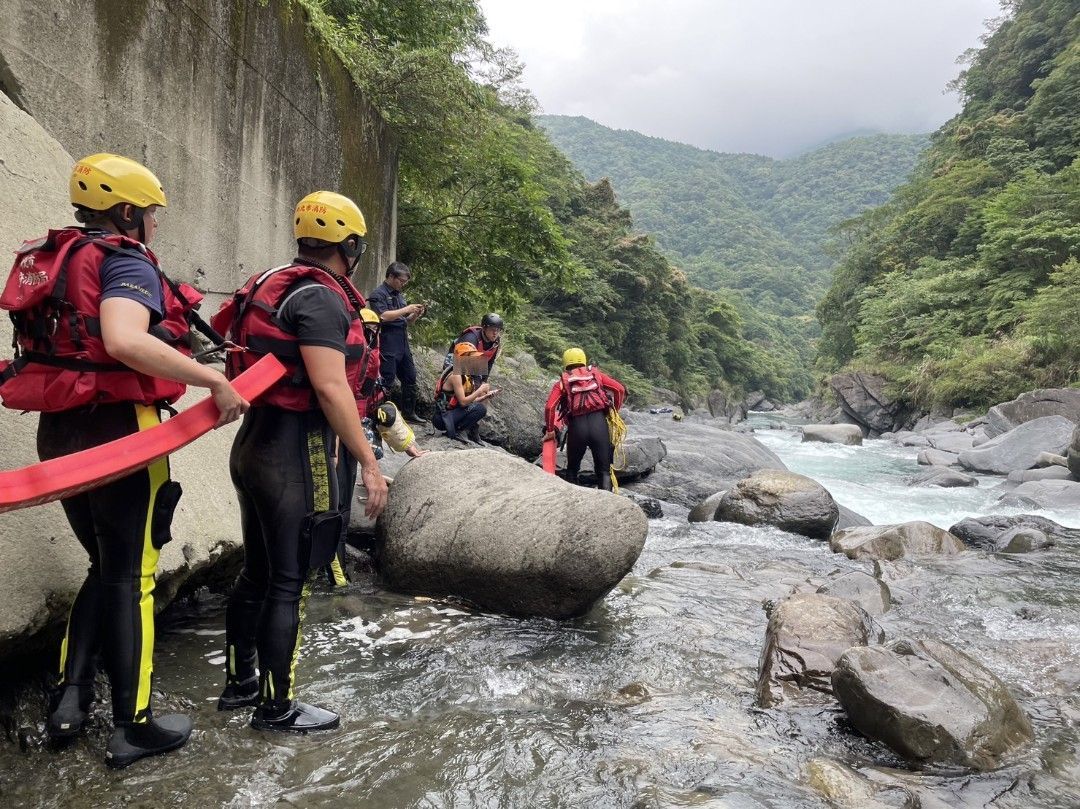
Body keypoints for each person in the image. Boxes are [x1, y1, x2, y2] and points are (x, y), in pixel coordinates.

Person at [0, 153, 248, 767]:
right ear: (128, 211)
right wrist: (210, 382)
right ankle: (133, 724)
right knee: (132, 577)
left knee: (102, 565)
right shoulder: (124, 260)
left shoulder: (59, 256)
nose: (155, 226)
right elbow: (123, 339)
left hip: (59, 435)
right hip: (121, 436)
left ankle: (69, 699)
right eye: (152, 214)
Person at [212, 191, 387, 732]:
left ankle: (240, 684)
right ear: (349, 245)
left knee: (258, 573)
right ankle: (276, 706)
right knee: (289, 582)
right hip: (293, 452)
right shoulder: (322, 299)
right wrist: (371, 465)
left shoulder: (273, 281)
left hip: (252, 446)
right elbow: (332, 389)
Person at [543, 348, 626, 491]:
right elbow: (619, 390)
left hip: (577, 428)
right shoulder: (596, 375)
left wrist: (550, 430)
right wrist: (614, 412)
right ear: (583, 360)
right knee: (604, 471)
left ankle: (573, 504)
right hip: (599, 425)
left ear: (566, 363)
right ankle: (607, 505)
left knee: (572, 470)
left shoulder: (563, 382)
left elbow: (550, 408)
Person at [367, 262, 425, 423]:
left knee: (410, 376)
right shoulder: (378, 294)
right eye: (401, 281)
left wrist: (414, 314)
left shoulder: (399, 295)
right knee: (387, 378)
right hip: (387, 340)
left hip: (402, 339)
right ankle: (381, 414)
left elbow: (406, 321)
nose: (403, 284)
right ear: (391, 276)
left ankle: (409, 413)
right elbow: (383, 316)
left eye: (405, 282)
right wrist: (406, 309)